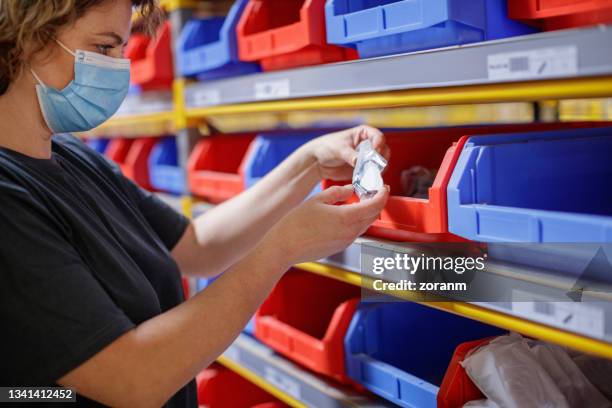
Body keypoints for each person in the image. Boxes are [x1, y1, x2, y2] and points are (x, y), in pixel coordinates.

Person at [0, 0, 390, 407]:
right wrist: (283, 249)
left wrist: (309, 162)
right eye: (104, 48)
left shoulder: (68, 155)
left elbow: (198, 246)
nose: (119, 68)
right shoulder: (8, 199)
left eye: (121, 49)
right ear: (26, 39)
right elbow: (130, 380)